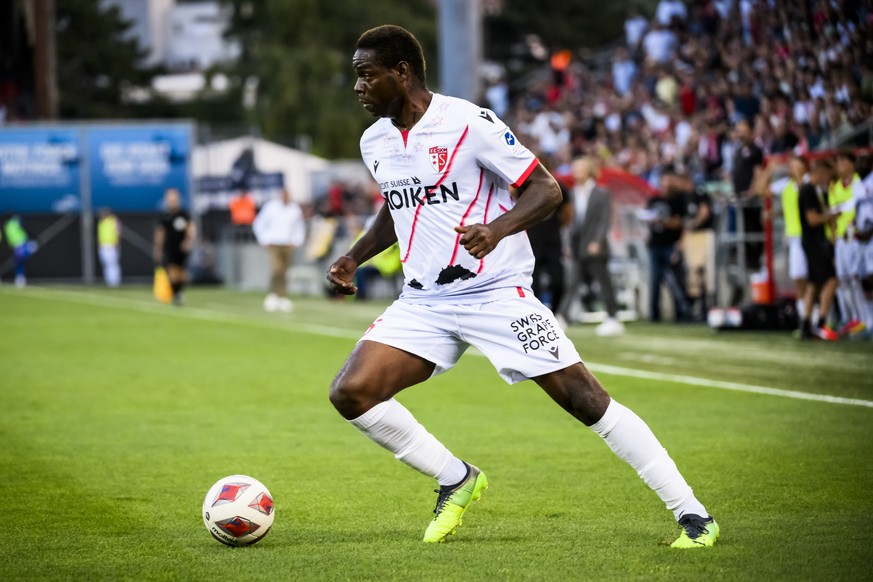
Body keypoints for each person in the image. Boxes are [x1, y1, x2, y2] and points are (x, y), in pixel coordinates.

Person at [326, 24, 718, 549]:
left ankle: (693, 514)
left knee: (585, 399)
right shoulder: (374, 140)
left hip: (494, 294)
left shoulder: (468, 123)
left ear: (402, 72)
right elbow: (397, 205)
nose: (358, 87)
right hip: (424, 302)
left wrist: (498, 229)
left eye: (365, 75)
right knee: (352, 392)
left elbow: (546, 189)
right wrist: (354, 256)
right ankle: (456, 478)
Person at [567, 156, 624, 336]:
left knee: (603, 282)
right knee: (573, 282)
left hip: (595, 246)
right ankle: (562, 316)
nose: (576, 172)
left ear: (589, 170)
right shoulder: (572, 192)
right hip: (578, 246)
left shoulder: (601, 192)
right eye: (574, 168)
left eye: (579, 168)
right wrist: (569, 245)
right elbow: (572, 223)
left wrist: (597, 241)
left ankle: (613, 317)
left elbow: (603, 220)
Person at [798, 159, 840, 341]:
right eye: (827, 175)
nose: (827, 179)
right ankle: (821, 322)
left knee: (814, 284)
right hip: (814, 242)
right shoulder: (808, 191)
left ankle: (806, 325)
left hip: (810, 242)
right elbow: (812, 219)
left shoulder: (814, 191)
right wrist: (832, 215)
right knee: (831, 279)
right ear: (820, 172)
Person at [527, 156, 571, 320]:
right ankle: (538, 316)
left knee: (559, 281)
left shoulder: (561, 188)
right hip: (531, 242)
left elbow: (567, 215)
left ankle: (557, 312)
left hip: (553, 242)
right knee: (533, 284)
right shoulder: (523, 187)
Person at [645, 170, 690, 322]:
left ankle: (681, 313)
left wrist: (662, 222)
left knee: (674, 281)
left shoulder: (677, 200)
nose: (665, 185)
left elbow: (678, 223)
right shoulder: (653, 200)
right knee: (654, 281)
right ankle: (654, 314)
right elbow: (647, 219)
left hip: (670, 244)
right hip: (655, 245)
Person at [829, 151, 866, 336]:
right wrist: (834, 234)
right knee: (843, 280)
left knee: (856, 278)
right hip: (841, 240)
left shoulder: (860, 182)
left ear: (852, 164)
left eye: (843, 161)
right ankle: (851, 318)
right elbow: (834, 213)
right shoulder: (835, 186)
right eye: (838, 163)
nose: (840, 166)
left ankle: (864, 319)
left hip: (857, 237)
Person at [252, 188, 307, 312]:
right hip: (274, 243)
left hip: (287, 244)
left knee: (285, 270)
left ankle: (283, 296)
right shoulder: (271, 207)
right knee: (277, 269)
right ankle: (273, 294)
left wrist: (296, 241)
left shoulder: (294, 209)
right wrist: (265, 239)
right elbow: (259, 223)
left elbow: (299, 227)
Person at [153, 188, 195, 306]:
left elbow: (190, 229)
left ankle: (179, 292)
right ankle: (176, 294)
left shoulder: (183, 214)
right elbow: (160, 233)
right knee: (172, 271)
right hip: (170, 247)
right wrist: (158, 248)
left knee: (181, 273)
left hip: (182, 247)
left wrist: (188, 241)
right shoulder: (164, 216)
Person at [3, 215, 37, 288]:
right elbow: (25, 230)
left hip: (21, 244)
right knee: (20, 261)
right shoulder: (13, 223)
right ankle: (20, 279)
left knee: (20, 261)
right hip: (19, 244)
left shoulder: (7, 225)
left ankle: (20, 278)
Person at [97, 208, 122, 287]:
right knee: (106, 264)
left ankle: (115, 281)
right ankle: (108, 280)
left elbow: (117, 233)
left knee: (113, 263)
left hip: (112, 245)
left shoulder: (114, 221)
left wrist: (117, 245)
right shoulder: (101, 222)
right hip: (103, 245)